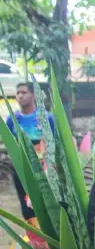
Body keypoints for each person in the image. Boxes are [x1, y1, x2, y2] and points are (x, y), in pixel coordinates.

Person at [6, 82, 55, 221]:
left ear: (33, 95)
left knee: (46, 205)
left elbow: (55, 141)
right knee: (26, 207)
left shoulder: (46, 118)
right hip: (21, 170)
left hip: (44, 170)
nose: (20, 96)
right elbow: (9, 142)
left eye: (24, 92)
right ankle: (34, 239)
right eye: (18, 93)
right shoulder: (12, 119)